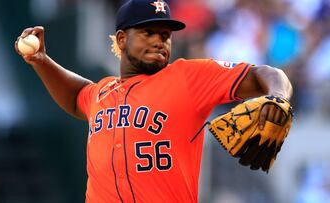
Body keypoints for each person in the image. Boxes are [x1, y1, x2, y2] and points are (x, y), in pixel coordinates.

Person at [15, 0, 293, 202]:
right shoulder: (102, 92)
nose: (160, 41)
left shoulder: (188, 76)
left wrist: (278, 96)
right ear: (122, 39)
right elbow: (77, 97)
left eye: (165, 35)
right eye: (148, 32)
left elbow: (264, 74)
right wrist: (40, 60)